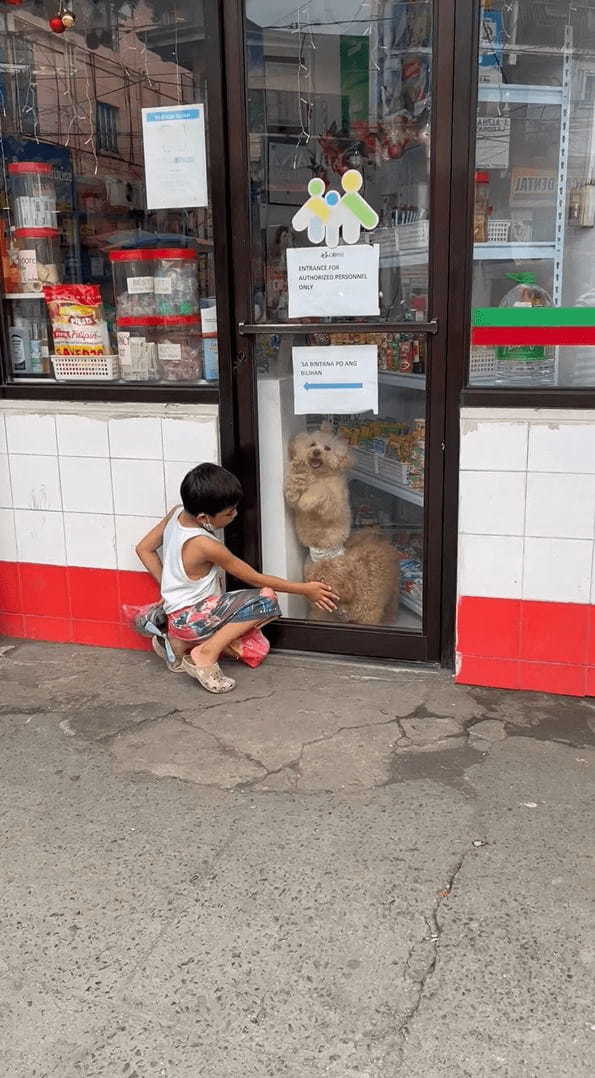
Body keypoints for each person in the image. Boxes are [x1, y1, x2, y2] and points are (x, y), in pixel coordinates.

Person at [135, 462, 338, 695]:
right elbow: (255, 578)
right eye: (229, 513)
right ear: (204, 517)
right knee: (265, 600)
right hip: (193, 619)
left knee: (257, 651)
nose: (235, 514)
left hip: (177, 617)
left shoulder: (177, 514)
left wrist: (168, 588)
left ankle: (177, 643)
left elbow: (144, 549)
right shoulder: (205, 545)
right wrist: (305, 589)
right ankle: (205, 654)